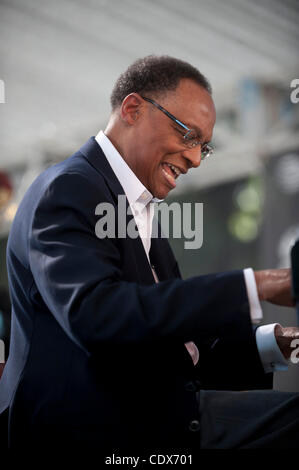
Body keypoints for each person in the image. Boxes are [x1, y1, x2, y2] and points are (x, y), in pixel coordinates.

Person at [0, 55, 298, 454]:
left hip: (149, 421)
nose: (194, 158)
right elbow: (96, 314)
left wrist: (279, 344)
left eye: (204, 148)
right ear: (133, 109)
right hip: (97, 434)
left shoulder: (133, 204)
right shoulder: (68, 188)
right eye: (188, 135)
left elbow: (174, 347)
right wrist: (256, 284)